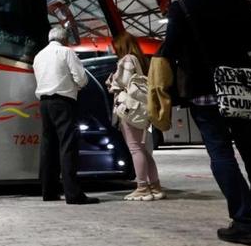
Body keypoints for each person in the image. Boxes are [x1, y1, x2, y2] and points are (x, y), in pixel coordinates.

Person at [161, 0, 251, 245]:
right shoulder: (235, 1)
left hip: (205, 92)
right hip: (240, 91)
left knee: (221, 154)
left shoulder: (181, 6)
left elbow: (170, 49)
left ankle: (244, 222)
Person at [33, 26, 99, 204]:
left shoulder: (38, 56)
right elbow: (82, 79)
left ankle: (49, 192)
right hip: (63, 102)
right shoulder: (66, 52)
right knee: (67, 146)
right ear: (64, 39)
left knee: (48, 147)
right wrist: (75, 87)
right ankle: (73, 194)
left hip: (44, 103)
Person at [107, 32, 165, 201]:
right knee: (144, 150)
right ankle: (155, 186)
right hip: (141, 108)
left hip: (130, 109)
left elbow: (123, 82)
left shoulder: (126, 60)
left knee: (135, 149)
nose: (113, 49)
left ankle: (142, 188)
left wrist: (111, 81)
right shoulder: (140, 60)